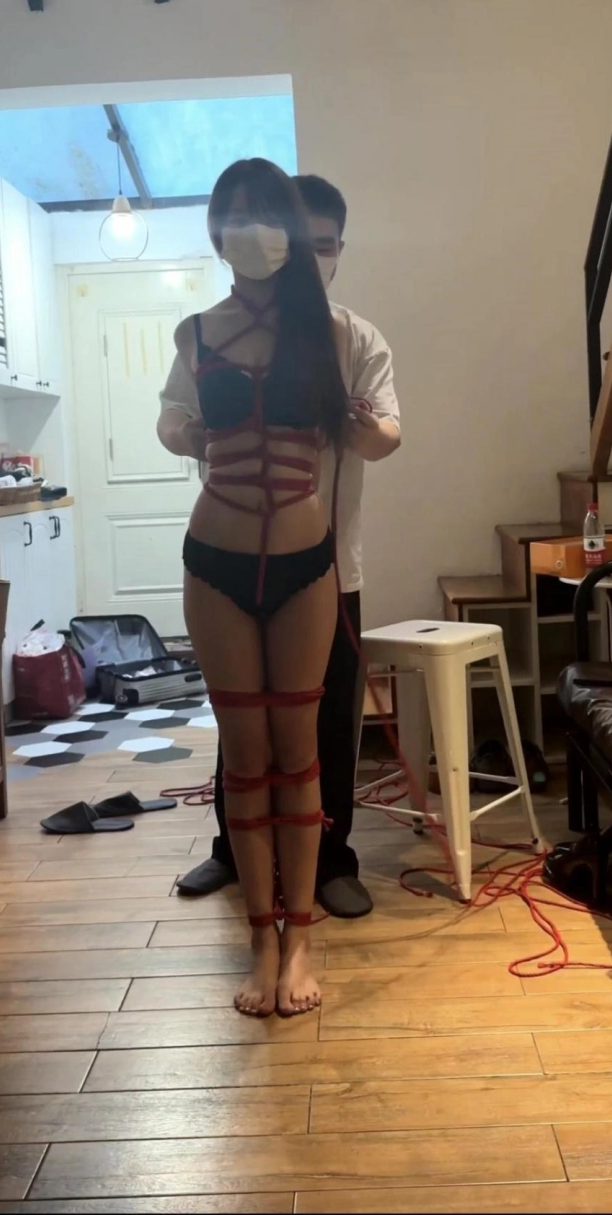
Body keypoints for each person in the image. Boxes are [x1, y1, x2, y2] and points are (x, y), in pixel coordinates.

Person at [158, 174, 401, 922]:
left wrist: (363, 428)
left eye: (326, 245)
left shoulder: (351, 336)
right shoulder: (208, 333)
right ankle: (235, 853)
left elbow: (389, 434)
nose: (312, 255)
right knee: (240, 722)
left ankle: (331, 860)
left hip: (325, 560)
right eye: (306, 240)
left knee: (325, 724)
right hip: (228, 548)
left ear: (335, 250)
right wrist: (191, 434)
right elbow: (172, 412)